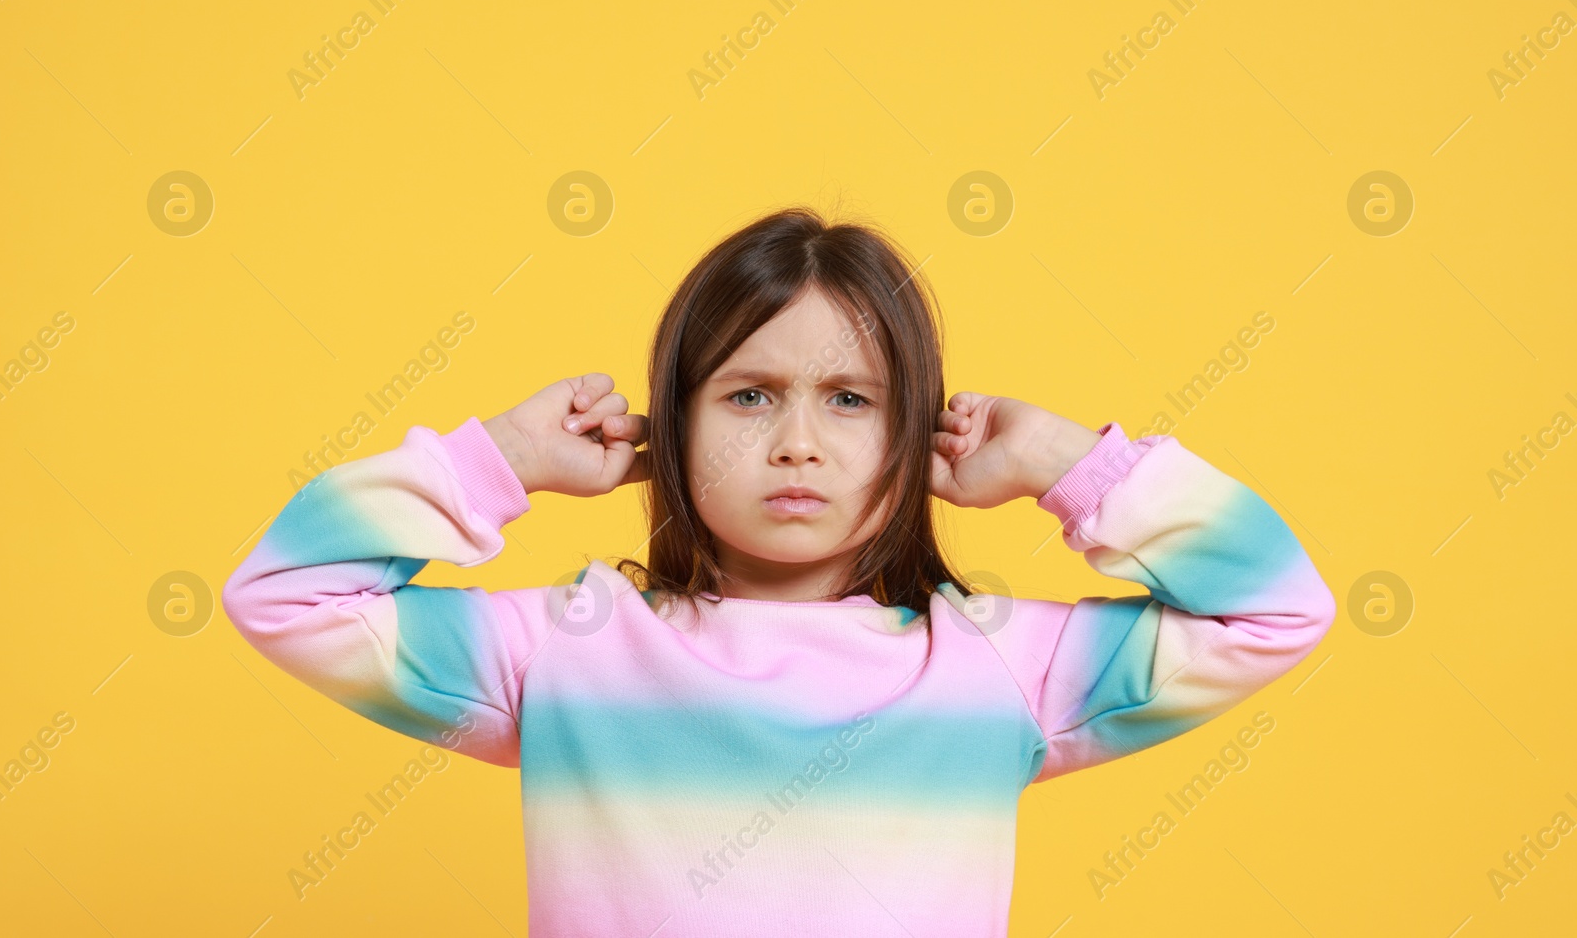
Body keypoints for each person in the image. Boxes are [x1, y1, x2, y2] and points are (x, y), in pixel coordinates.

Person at [222, 205, 1335, 935]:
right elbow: (285, 590)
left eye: (849, 399)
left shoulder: (999, 665)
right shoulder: (566, 651)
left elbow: (1273, 607)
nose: (797, 441)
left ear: (912, 436)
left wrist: (1066, 461)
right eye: (749, 395)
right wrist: (501, 459)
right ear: (673, 420)